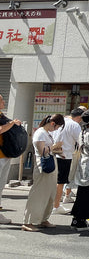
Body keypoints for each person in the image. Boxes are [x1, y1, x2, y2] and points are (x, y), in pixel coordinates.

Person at [22, 114, 65, 232]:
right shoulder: (40, 133)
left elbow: (48, 149)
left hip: (51, 164)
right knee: (38, 195)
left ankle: (43, 219)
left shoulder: (47, 133)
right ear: (52, 123)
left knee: (50, 194)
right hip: (43, 166)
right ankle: (28, 221)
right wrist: (55, 146)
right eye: (56, 127)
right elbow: (42, 151)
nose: (56, 129)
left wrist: (58, 151)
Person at [51, 106, 83, 215]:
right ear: (79, 117)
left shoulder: (59, 122)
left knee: (53, 181)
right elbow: (81, 141)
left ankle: (52, 205)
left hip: (52, 154)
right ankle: (55, 206)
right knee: (60, 182)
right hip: (65, 156)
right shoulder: (74, 125)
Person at [0, 93, 22, 225]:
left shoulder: (2, 115)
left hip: (5, 155)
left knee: (1, 185)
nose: (4, 102)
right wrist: (12, 123)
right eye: (1, 100)